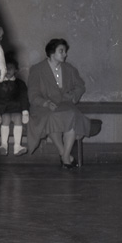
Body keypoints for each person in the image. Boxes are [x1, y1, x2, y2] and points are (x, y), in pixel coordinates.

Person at [27, 38, 91, 168]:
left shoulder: (69, 69)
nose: (65, 54)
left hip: (64, 104)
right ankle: (64, 154)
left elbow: (80, 86)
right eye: (61, 51)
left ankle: (65, 155)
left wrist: (72, 96)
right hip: (43, 107)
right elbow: (32, 94)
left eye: (65, 51)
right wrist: (45, 103)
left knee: (72, 115)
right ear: (52, 52)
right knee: (51, 117)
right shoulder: (37, 69)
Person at [0, 56, 29, 156]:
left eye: (11, 68)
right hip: (4, 108)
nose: (8, 70)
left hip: (16, 108)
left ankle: (17, 146)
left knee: (18, 118)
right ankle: (3, 145)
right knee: (6, 118)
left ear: (16, 70)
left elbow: (24, 97)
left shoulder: (20, 83)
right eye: (5, 68)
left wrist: (25, 111)